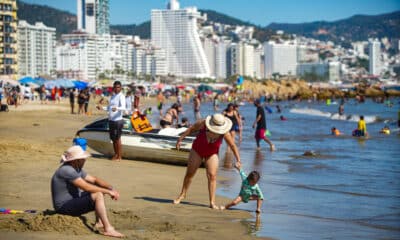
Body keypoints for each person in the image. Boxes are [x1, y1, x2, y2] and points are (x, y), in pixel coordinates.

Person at [51, 146, 124, 238]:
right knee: (97, 194)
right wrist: (108, 192)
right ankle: (108, 229)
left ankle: (99, 222)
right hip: (63, 207)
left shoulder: (76, 168)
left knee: (99, 190)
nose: (85, 160)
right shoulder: (67, 170)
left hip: (72, 200)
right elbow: (86, 187)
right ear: (75, 160)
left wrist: (110, 188)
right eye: (82, 159)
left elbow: (94, 180)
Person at [173, 113, 241, 209]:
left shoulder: (224, 132)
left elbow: (233, 145)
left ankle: (212, 202)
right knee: (190, 173)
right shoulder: (203, 124)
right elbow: (191, 129)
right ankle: (182, 195)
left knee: (212, 176)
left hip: (212, 153)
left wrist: (238, 159)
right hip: (197, 150)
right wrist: (180, 139)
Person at [97, 81, 126, 161]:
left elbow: (123, 107)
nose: (117, 89)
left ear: (121, 88)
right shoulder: (113, 96)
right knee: (113, 139)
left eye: (118, 87)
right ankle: (116, 154)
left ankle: (119, 156)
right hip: (111, 120)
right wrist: (102, 108)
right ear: (113, 88)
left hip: (118, 120)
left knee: (117, 139)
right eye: (115, 87)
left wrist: (117, 108)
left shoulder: (121, 96)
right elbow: (109, 108)